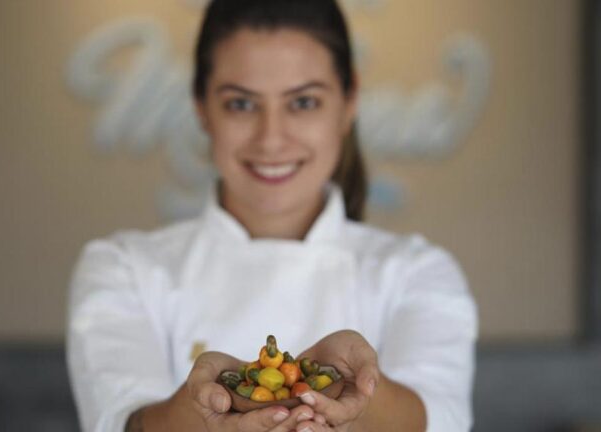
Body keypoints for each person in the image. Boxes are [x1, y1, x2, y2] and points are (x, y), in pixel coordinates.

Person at [67, 0, 477, 431]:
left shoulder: (417, 273)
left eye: (303, 102)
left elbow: (440, 420)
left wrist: (352, 391)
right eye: (241, 104)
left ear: (349, 101)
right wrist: (211, 403)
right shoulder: (124, 268)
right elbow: (118, 422)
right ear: (201, 107)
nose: (271, 139)